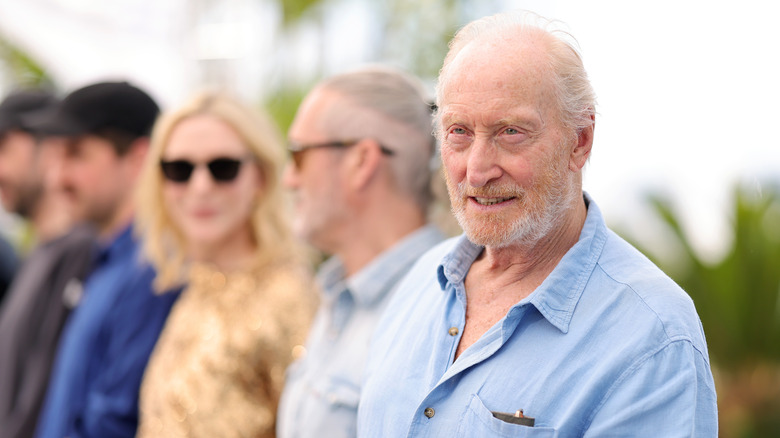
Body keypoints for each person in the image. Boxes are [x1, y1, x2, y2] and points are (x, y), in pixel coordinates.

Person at [357, 11, 718, 437]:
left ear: (579, 140)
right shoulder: (420, 283)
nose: (477, 170)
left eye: (510, 131)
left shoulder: (651, 335)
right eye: (459, 132)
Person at [277, 67, 445, 438]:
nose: (289, 178)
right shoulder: (338, 293)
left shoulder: (439, 308)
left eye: (299, 154)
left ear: (361, 161)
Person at [133, 92, 315, 437]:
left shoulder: (288, 298)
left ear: (260, 178)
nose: (200, 186)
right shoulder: (196, 288)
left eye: (223, 168)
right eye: (179, 169)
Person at [32, 81, 180, 438]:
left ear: (138, 158)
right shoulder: (103, 260)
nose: (58, 178)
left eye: (77, 154)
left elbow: (112, 423)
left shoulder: (152, 272)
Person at [0, 89, 95, 438]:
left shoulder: (79, 253)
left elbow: (41, 402)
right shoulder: (38, 252)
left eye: (4, 146)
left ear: (48, 146)